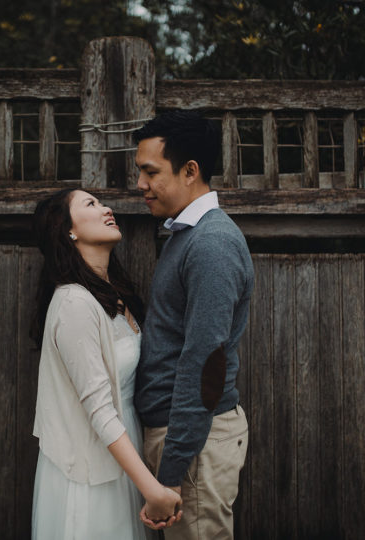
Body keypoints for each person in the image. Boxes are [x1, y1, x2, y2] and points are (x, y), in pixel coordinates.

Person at [30, 188, 182, 540]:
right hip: (91, 467)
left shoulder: (114, 293)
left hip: (124, 452)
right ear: (69, 230)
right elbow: (98, 408)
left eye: (101, 202)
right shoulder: (73, 304)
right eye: (91, 204)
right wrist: (152, 489)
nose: (106, 208)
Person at [133, 110, 255, 539]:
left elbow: (205, 364)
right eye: (139, 172)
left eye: (151, 172)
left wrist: (170, 472)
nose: (140, 184)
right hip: (184, 443)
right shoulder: (185, 235)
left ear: (190, 171)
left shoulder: (211, 244)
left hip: (193, 447)